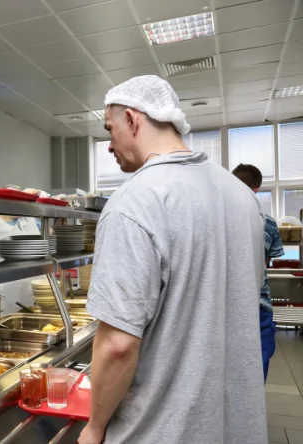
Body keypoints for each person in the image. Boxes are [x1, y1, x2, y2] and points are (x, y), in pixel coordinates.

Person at [78, 76, 266, 444]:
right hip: (236, 427)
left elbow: (118, 346)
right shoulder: (243, 197)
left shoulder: (133, 202)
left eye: (110, 129)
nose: (109, 145)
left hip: (163, 430)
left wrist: (94, 427)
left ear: (132, 119)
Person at [232, 163, 284, 381]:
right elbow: (265, 263)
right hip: (257, 302)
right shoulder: (268, 223)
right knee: (257, 362)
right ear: (257, 188)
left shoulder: (213, 219)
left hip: (223, 303)